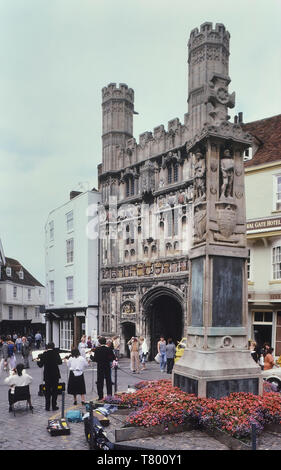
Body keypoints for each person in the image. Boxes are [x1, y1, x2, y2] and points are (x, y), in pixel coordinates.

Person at [37, 342, 62, 411]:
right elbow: (60, 362)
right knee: (55, 390)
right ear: (53, 347)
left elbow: (40, 365)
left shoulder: (44, 354)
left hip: (47, 375)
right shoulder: (56, 353)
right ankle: (54, 406)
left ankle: (47, 406)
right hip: (55, 374)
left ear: (47, 347)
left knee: (47, 391)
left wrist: (38, 359)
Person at [90, 336, 115, 401]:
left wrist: (91, 356)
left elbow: (95, 359)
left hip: (100, 366)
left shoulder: (97, 349)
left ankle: (100, 396)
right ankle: (109, 395)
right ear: (105, 342)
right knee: (108, 381)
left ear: (99, 342)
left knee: (100, 382)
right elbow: (113, 358)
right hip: (107, 366)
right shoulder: (109, 349)